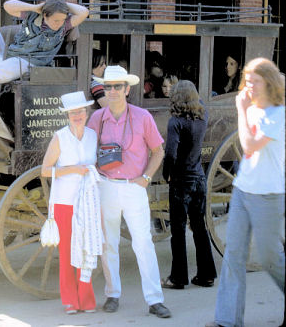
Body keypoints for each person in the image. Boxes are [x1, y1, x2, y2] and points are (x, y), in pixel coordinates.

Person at [86, 65, 171, 318]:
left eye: (117, 86)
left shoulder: (142, 117)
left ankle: (155, 299)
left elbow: (158, 151)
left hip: (134, 187)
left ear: (127, 89)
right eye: (108, 87)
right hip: (106, 186)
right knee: (108, 243)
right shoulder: (96, 119)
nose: (112, 91)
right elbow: (88, 152)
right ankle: (112, 294)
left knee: (143, 243)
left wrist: (146, 178)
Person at [207, 58, 285, 327]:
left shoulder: (278, 114)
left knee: (270, 258)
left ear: (269, 82)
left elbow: (249, 146)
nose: (249, 86)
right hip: (242, 191)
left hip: (268, 195)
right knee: (234, 255)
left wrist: (241, 111)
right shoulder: (253, 110)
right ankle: (227, 320)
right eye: (247, 80)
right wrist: (245, 110)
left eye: (255, 80)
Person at [41, 91, 101, 314]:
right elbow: (45, 170)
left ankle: (86, 300)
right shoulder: (60, 137)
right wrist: (73, 170)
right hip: (64, 202)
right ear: (67, 115)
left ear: (86, 113)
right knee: (67, 253)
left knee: (87, 250)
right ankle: (70, 301)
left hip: (88, 202)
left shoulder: (93, 136)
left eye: (81, 111)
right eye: (73, 112)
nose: (77, 116)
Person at [161, 80, 216, 290]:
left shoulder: (175, 122)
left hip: (181, 181)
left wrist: (167, 174)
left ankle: (178, 277)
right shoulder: (203, 115)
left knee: (178, 230)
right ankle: (207, 275)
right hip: (199, 178)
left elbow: (171, 153)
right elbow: (198, 102)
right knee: (200, 227)